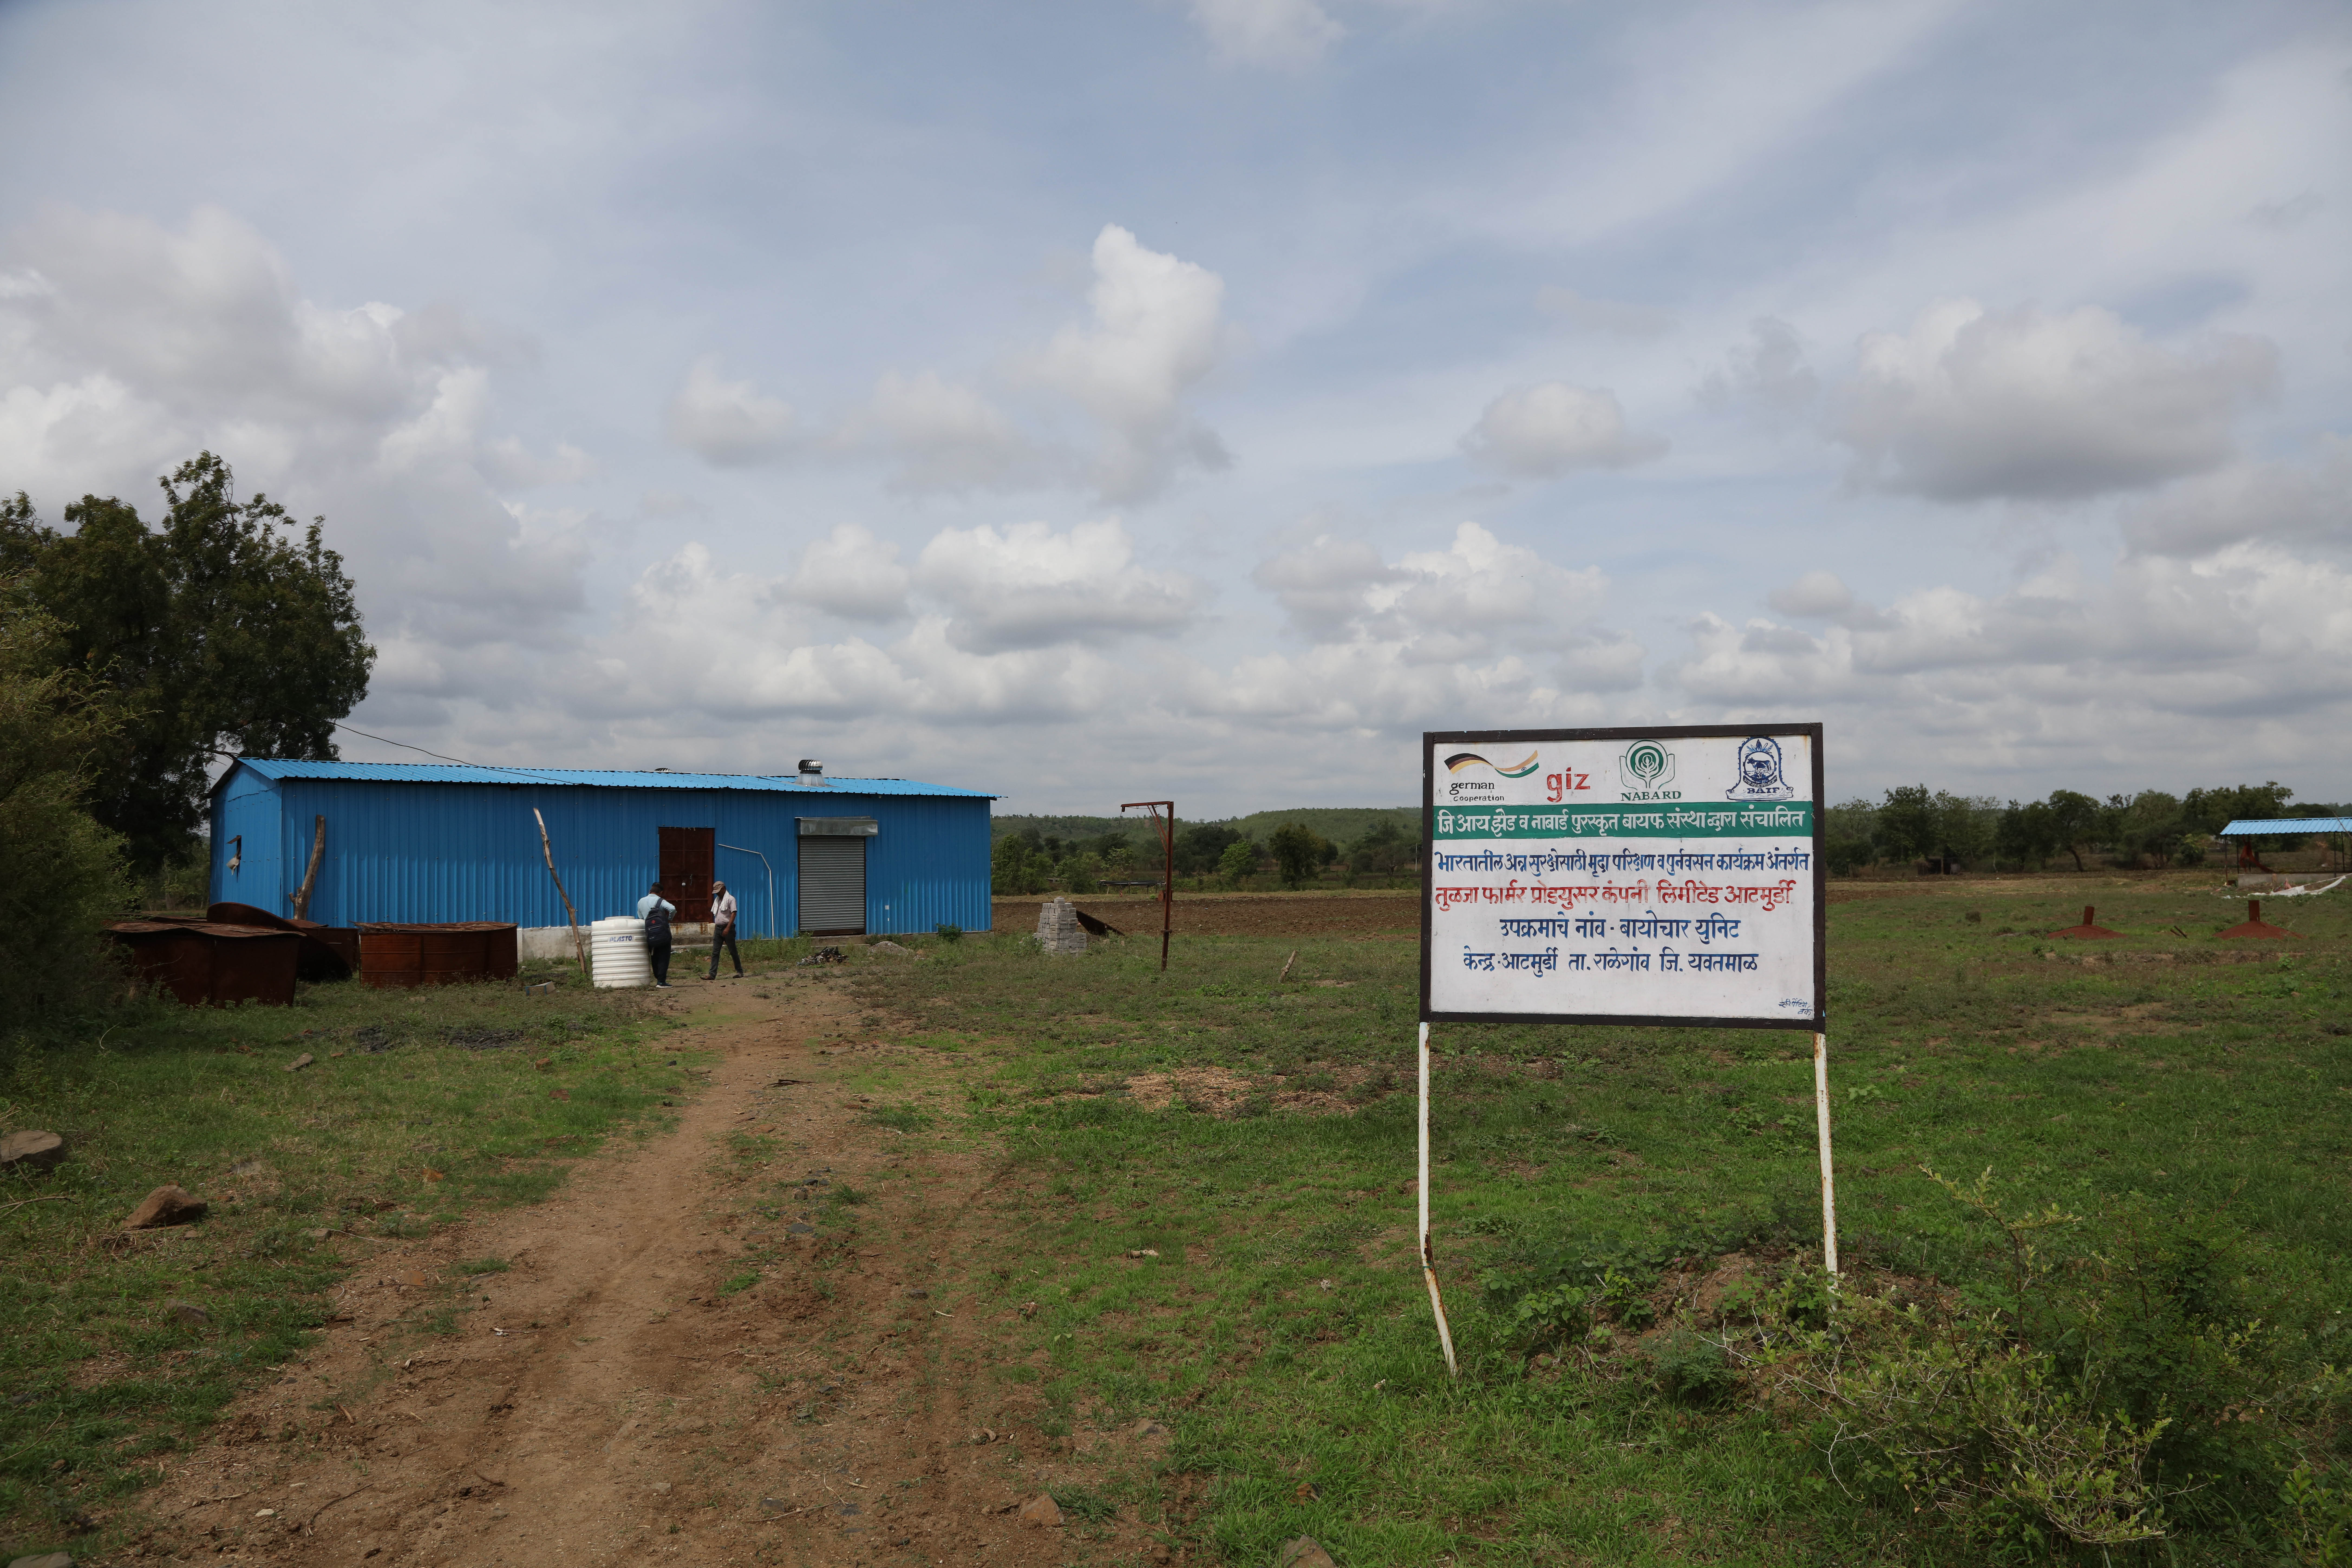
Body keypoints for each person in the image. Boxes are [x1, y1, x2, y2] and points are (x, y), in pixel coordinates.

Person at [636, 880, 677, 987]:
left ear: (650, 891)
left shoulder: (641, 901)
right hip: (663, 934)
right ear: (661, 893)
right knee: (664, 956)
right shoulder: (660, 901)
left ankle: (658, 978)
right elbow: (672, 909)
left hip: (650, 934)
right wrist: (669, 919)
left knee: (654, 955)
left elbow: (641, 918)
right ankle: (661, 982)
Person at [707, 878, 742, 979]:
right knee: (715, 952)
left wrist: (728, 928)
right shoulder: (718, 901)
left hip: (728, 929)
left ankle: (740, 971)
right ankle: (712, 974)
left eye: (719, 892)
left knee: (733, 951)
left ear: (724, 889)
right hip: (718, 929)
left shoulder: (731, 899)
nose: (718, 894)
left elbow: (734, 914)